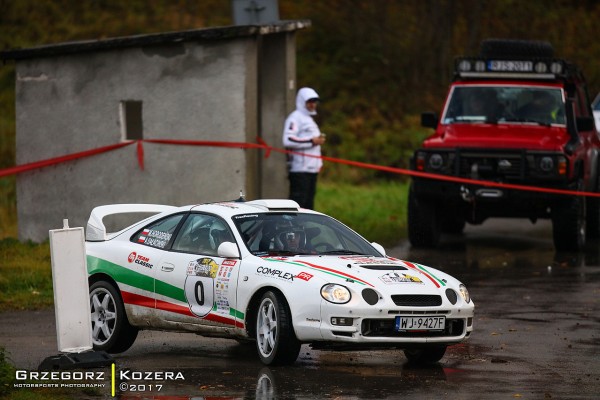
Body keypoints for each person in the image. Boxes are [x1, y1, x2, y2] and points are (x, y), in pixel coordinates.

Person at [282, 87, 326, 209]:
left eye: (314, 101)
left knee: (308, 205)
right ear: (302, 101)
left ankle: (303, 229)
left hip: (312, 170)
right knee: (297, 205)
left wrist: (319, 163)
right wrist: (312, 141)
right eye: (309, 101)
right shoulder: (295, 117)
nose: (313, 104)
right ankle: (290, 228)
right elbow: (288, 139)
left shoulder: (309, 120)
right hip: (300, 170)